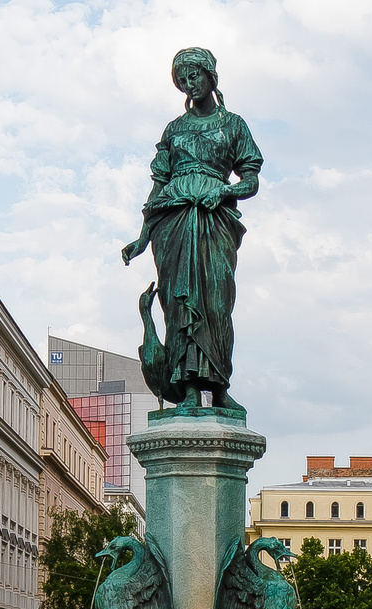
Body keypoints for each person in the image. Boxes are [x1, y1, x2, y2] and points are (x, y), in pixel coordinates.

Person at [122, 47, 262, 410]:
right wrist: (142, 237)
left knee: (216, 303)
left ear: (210, 76)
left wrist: (225, 191)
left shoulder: (233, 124)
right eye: (182, 80)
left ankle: (218, 389)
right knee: (178, 304)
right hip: (174, 221)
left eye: (194, 75)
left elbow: (251, 179)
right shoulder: (174, 129)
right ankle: (186, 391)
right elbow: (157, 186)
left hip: (215, 221)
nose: (189, 84)